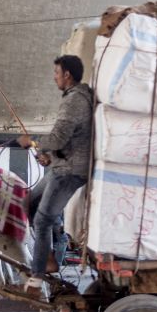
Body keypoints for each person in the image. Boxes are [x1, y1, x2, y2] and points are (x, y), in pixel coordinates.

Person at [16, 54, 94, 295]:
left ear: (67, 74)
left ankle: (37, 276)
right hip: (61, 165)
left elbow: (59, 137)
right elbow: (69, 141)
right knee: (29, 202)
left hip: (70, 172)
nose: (54, 78)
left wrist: (33, 143)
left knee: (42, 220)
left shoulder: (74, 101)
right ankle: (48, 257)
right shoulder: (78, 98)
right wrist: (50, 156)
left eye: (56, 73)